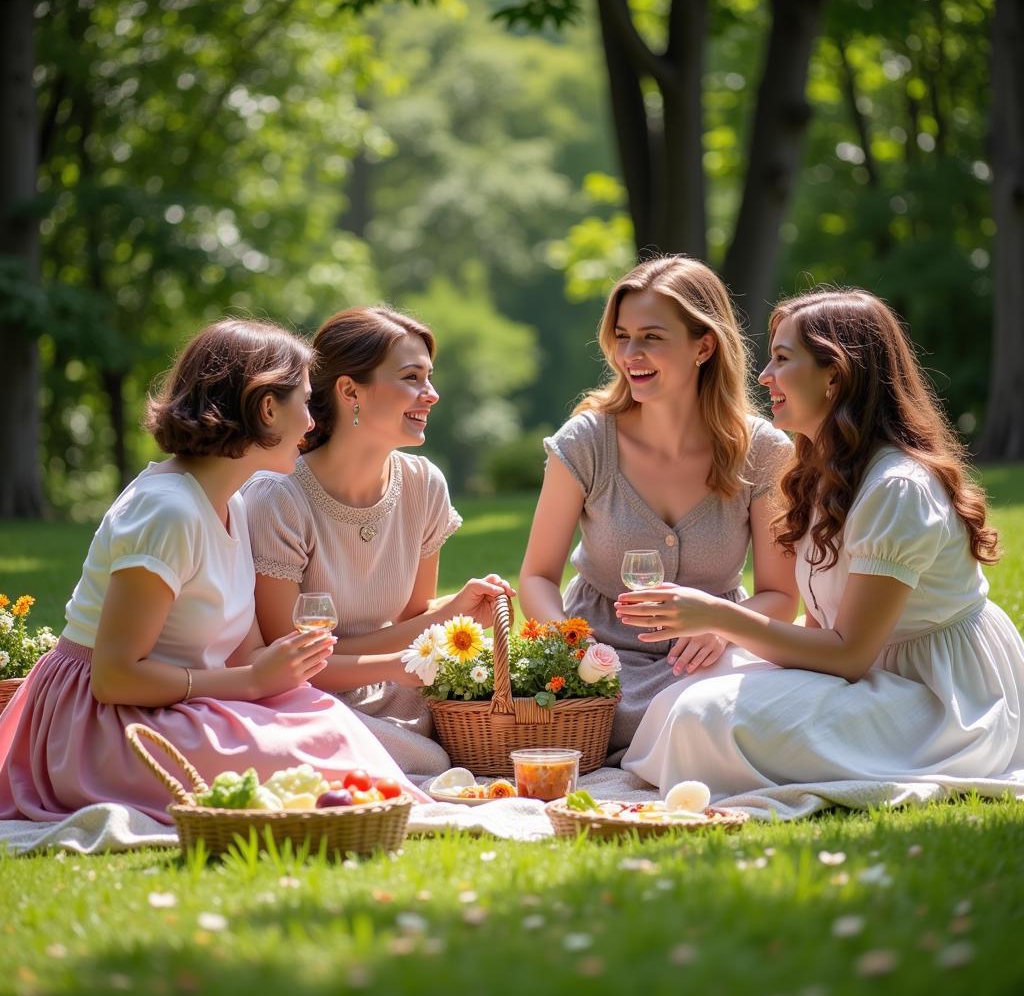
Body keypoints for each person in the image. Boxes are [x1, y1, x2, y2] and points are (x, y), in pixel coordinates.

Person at [0, 319, 428, 823]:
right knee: (289, 762)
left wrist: (283, 669)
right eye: (304, 405)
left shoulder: (233, 503)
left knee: (328, 724)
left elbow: (244, 654)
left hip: (173, 702)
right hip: (106, 725)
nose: (313, 423)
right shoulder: (168, 512)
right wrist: (251, 683)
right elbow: (114, 678)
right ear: (268, 408)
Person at [618, 289, 1024, 796]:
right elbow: (820, 629)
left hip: (938, 698)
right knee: (689, 692)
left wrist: (718, 616)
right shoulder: (822, 471)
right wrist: (732, 641)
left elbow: (848, 653)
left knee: (705, 717)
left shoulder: (896, 487)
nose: (764, 376)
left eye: (783, 360)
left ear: (835, 376)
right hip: (866, 674)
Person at [518, 256, 799, 759]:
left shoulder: (762, 451)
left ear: (703, 346)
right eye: (622, 336)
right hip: (601, 661)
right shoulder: (586, 441)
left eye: (651, 337)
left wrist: (723, 626)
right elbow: (537, 577)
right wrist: (571, 647)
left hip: (711, 657)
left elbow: (780, 596)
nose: (631, 353)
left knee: (740, 713)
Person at [242, 306, 512, 777]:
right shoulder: (279, 498)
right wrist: (394, 663)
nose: (431, 394)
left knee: (479, 744)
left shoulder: (424, 485)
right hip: (300, 697)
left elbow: (411, 619)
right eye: (412, 378)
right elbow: (289, 661)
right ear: (349, 391)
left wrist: (457, 610)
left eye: (429, 378)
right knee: (431, 761)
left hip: (392, 689)